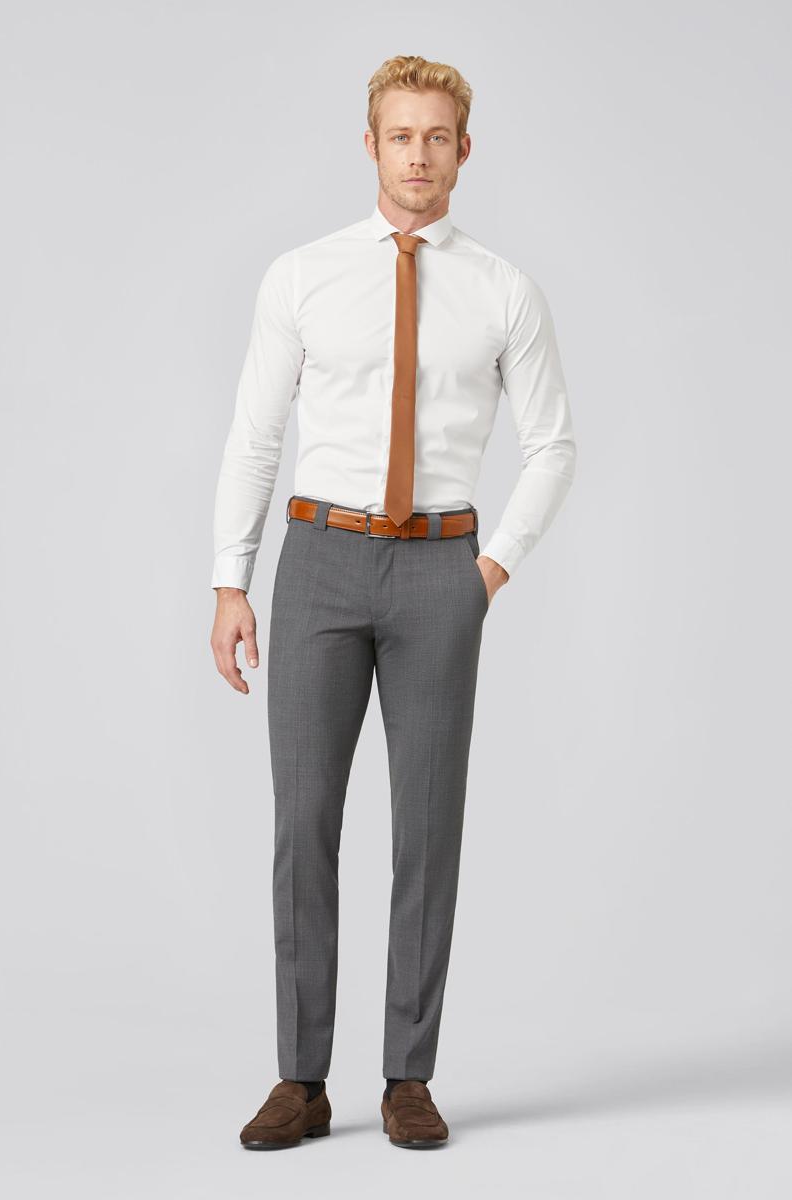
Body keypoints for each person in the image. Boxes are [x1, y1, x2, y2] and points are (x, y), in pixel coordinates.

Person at [209, 54, 577, 1150]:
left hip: (438, 572)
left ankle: (408, 1077)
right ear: (369, 145)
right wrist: (230, 578)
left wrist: (488, 571)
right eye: (401, 135)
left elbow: (554, 445)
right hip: (319, 561)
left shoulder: (503, 290)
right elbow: (255, 436)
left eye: (437, 137)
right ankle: (301, 1079)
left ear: (465, 149)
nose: (418, 155)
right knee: (303, 825)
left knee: (427, 828)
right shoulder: (302, 277)